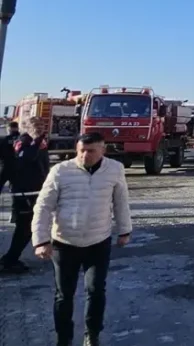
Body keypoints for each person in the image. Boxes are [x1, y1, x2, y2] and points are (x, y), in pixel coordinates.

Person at [32, 132, 132, 346]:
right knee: (63, 295)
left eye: (91, 151)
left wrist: (124, 230)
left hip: (98, 240)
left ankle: (92, 334)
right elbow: (43, 206)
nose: (85, 155)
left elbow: (121, 201)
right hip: (64, 243)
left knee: (96, 291)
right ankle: (64, 338)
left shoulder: (114, 170)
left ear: (102, 150)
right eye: (81, 151)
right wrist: (40, 240)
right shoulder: (60, 171)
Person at [0, 117, 50, 274]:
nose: (40, 128)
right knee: (25, 228)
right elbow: (27, 158)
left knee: (28, 227)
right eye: (36, 125)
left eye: (42, 125)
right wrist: (36, 140)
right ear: (26, 127)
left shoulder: (38, 141)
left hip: (35, 191)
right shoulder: (24, 142)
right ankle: (9, 260)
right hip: (25, 193)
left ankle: (11, 259)